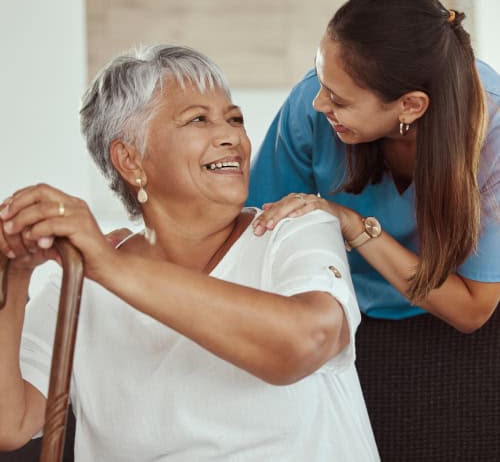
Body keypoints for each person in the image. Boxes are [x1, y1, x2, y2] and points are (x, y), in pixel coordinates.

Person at [0, 44, 379, 461]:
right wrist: (12, 277)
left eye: (234, 119)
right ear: (130, 159)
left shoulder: (293, 228)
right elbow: (11, 424)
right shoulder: (76, 279)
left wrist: (110, 268)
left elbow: (304, 343)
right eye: (198, 119)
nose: (231, 135)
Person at [248, 0, 500, 331]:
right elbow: (258, 233)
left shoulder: (495, 138)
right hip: (341, 306)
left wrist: (354, 226)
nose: (318, 103)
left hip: (457, 315)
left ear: (410, 106)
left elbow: (472, 309)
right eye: (322, 83)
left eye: (338, 100)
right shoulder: (313, 106)